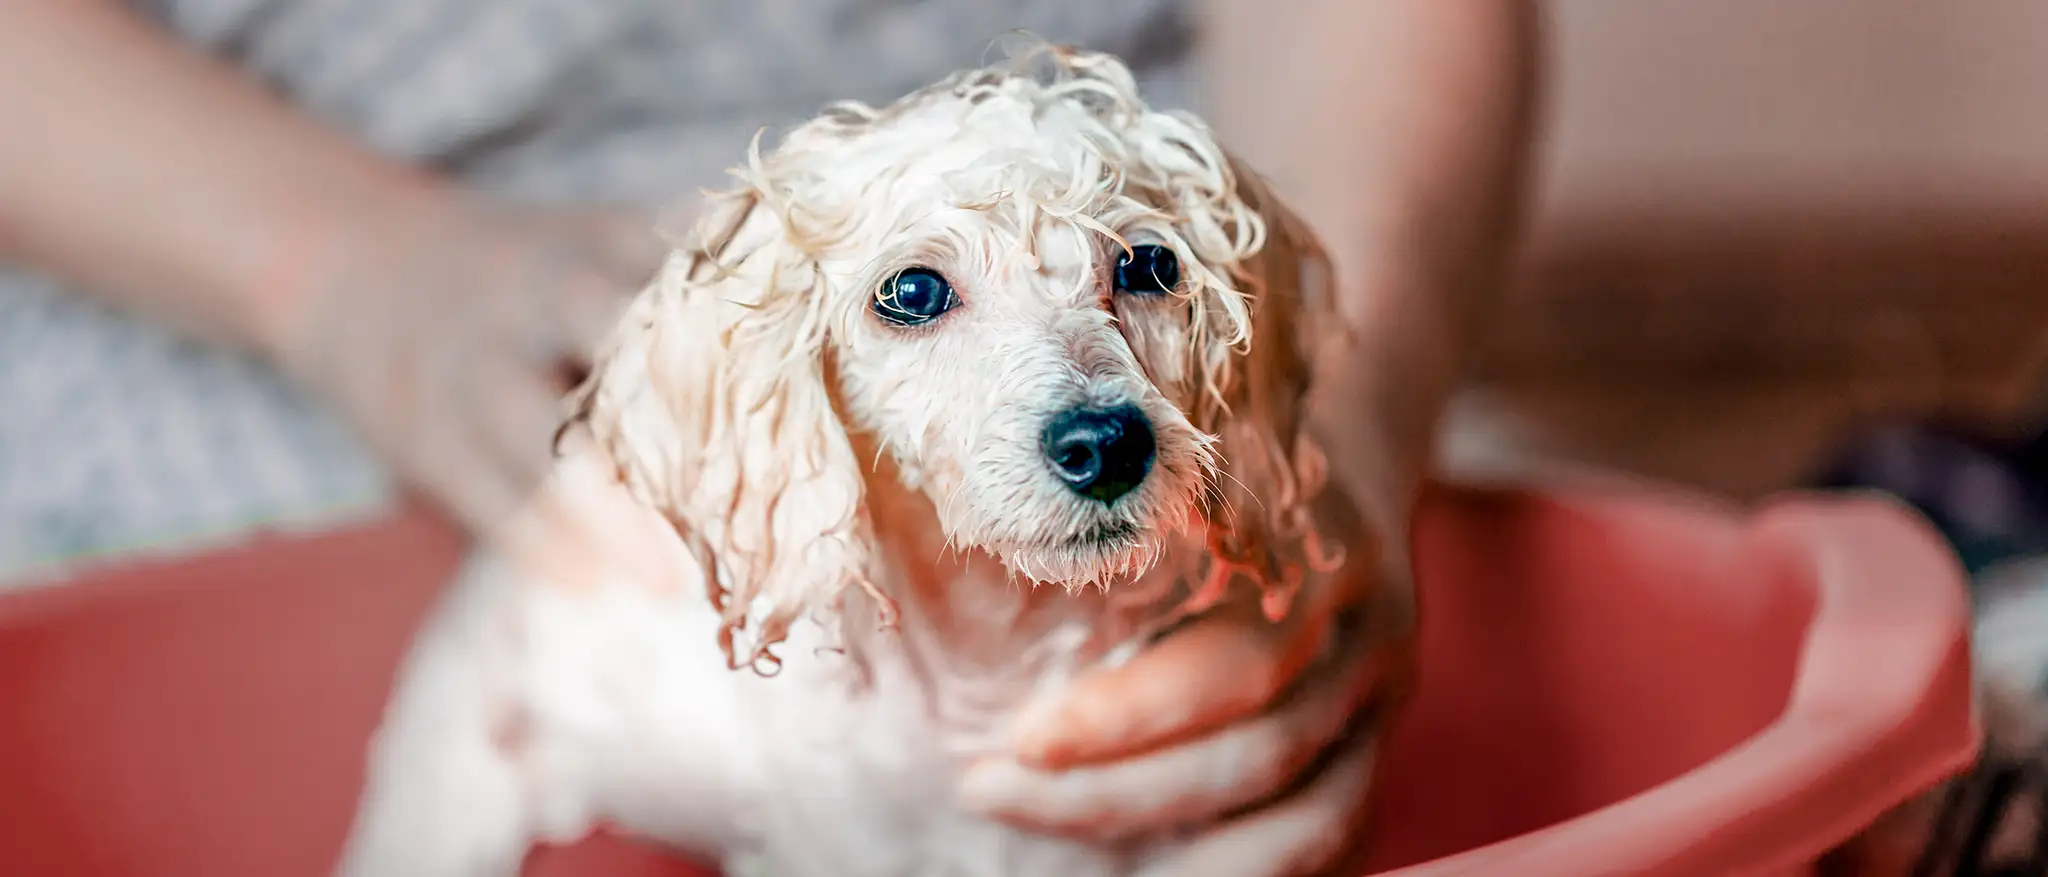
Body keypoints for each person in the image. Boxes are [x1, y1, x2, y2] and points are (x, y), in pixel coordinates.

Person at [0, 0, 1537, 868]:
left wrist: (1347, 411)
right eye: (921, 296)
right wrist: (331, 267)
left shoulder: (1201, 296)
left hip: (1186, 170)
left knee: (1457, 668)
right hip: (206, 230)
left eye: (1134, 277)